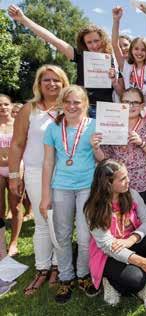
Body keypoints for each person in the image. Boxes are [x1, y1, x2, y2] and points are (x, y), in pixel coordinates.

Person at [9, 65, 70, 295]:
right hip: (35, 171)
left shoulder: (69, 108)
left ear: (64, 83)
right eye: (47, 80)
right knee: (43, 220)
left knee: (62, 221)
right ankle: (42, 267)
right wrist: (15, 175)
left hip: (64, 173)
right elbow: (16, 144)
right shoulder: (29, 109)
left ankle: (57, 264)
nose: (52, 84)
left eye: (57, 80)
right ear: (39, 83)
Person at [40, 85, 99, 303]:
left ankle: (82, 274)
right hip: (61, 186)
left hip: (87, 186)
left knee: (85, 237)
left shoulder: (94, 126)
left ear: (85, 104)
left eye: (77, 102)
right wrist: (45, 196)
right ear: (62, 104)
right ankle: (66, 277)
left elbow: (102, 159)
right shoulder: (53, 128)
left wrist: (96, 147)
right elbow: (48, 162)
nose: (72, 106)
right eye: (68, 102)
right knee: (62, 235)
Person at [84, 159, 146, 309]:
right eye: (122, 178)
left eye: (127, 176)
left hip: (130, 243)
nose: (128, 180)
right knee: (135, 280)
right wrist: (140, 261)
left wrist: (132, 239)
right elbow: (107, 246)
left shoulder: (132, 194)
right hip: (108, 254)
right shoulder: (94, 208)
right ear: (108, 184)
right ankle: (109, 281)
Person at [7, 5, 121, 117]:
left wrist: (114, 80)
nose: (94, 45)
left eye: (96, 40)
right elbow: (53, 40)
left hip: (107, 112)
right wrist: (23, 19)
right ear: (84, 44)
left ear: (103, 40)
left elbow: (122, 92)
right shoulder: (80, 56)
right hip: (82, 109)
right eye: (89, 42)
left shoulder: (114, 60)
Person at [92, 88, 146, 212]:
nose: (131, 106)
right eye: (126, 102)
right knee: (119, 225)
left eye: (135, 102)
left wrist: (142, 143)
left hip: (144, 184)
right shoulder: (110, 125)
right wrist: (96, 147)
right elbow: (104, 158)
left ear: (142, 106)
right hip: (117, 185)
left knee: (143, 222)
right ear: (120, 104)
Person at [112, 5, 146, 107]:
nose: (139, 52)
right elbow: (115, 45)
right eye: (136, 49)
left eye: (143, 50)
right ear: (131, 50)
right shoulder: (126, 66)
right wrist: (116, 21)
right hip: (130, 102)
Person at [0, 95, 22, 257]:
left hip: (16, 169)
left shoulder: (18, 125)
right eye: (0, 105)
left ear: (11, 105)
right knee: (0, 208)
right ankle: (1, 242)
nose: (3, 107)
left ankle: (14, 242)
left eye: (6, 104)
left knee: (15, 206)